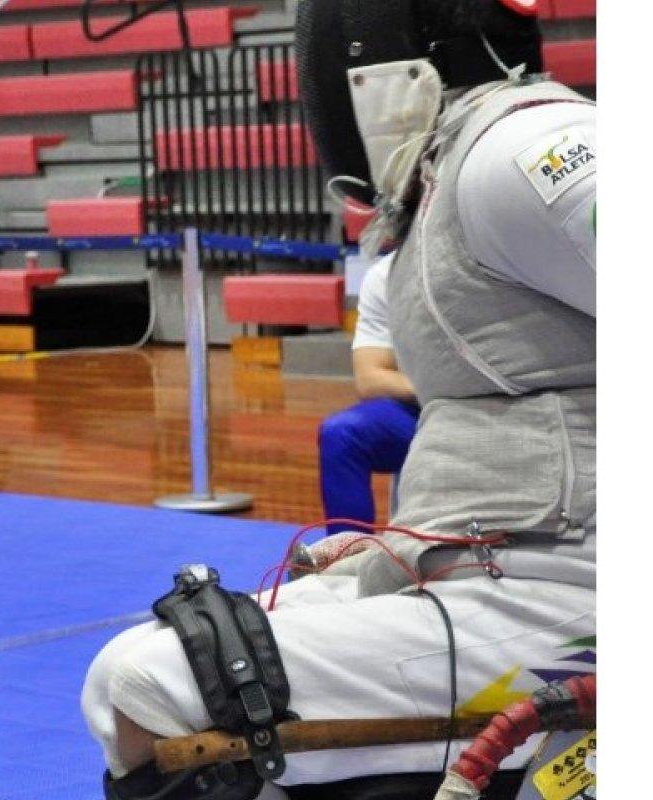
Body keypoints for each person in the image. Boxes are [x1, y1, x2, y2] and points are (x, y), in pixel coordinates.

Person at [80, 1, 596, 797]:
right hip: (489, 563)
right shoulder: (454, 164)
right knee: (125, 678)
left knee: (162, 686)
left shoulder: (522, 148)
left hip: (572, 593)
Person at [317, 252, 419, 536]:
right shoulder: (387, 274)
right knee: (342, 434)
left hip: (498, 406)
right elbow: (370, 378)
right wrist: (441, 389)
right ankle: (347, 562)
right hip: (428, 406)